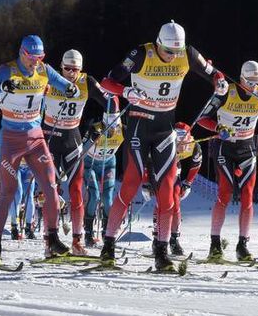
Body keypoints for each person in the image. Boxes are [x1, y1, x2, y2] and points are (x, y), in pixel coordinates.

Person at [99, 20, 227, 271]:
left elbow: (213, 72)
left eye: (176, 51)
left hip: (164, 129)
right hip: (139, 125)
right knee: (131, 184)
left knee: (168, 191)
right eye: (168, 51)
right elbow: (107, 82)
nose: (172, 56)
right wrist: (126, 92)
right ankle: (108, 246)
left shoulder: (188, 54)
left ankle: (161, 251)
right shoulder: (141, 54)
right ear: (158, 44)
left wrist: (219, 81)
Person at [0, 35, 80, 264]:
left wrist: (71, 89)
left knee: (51, 188)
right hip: (11, 140)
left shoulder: (44, 70)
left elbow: (65, 85)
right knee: (8, 191)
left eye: (40, 57)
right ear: (22, 53)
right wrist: (0, 87)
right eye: (32, 57)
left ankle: (52, 239)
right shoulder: (7, 70)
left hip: (35, 138)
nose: (35, 62)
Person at [197, 60, 258, 262]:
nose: (253, 86)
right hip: (225, 147)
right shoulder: (226, 91)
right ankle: (215, 245)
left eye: (257, 82)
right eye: (250, 82)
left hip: (247, 148)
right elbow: (202, 119)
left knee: (247, 196)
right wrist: (218, 128)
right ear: (241, 78)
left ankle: (243, 245)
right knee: (225, 193)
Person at [42, 49, 119, 255]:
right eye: (67, 68)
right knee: (50, 192)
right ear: (61, 67)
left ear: (81, 69)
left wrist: (111, 120)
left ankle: (77, 241)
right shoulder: (50, 79)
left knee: (76, 191)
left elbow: (111, 101)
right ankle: (49, 242)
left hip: (72, 140)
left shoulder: (87, 82)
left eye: (75, 69)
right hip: (49, 138)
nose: (70, 73)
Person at [150, 122, 202, 255]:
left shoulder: (193, 146)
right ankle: (157, 239)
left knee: (176, 203)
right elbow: (148, 161)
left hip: (175, 173)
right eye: (178, 141)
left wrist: (188, 183)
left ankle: (174, 239)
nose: (181, 145)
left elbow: (196, 164)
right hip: (160, 173)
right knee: (162, 203)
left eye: (184, 141)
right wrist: (146, 182)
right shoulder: (164, 142)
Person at [82, 117, 123, 247]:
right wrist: (91, 139)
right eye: (110, 125)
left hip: (109, 163)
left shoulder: (122, 130)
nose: (113, 129)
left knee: (107, 198)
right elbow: (81, 148)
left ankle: (107, 232)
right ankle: (88, 232)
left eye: (115, 125)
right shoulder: (95, 127)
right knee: (94, 196)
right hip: (90, 164)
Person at [8, 159, 36, 240]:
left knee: (29, 196)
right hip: (15, 167)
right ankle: (14, 228)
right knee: (18, 195)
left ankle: (28, 227)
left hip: (29, 167)